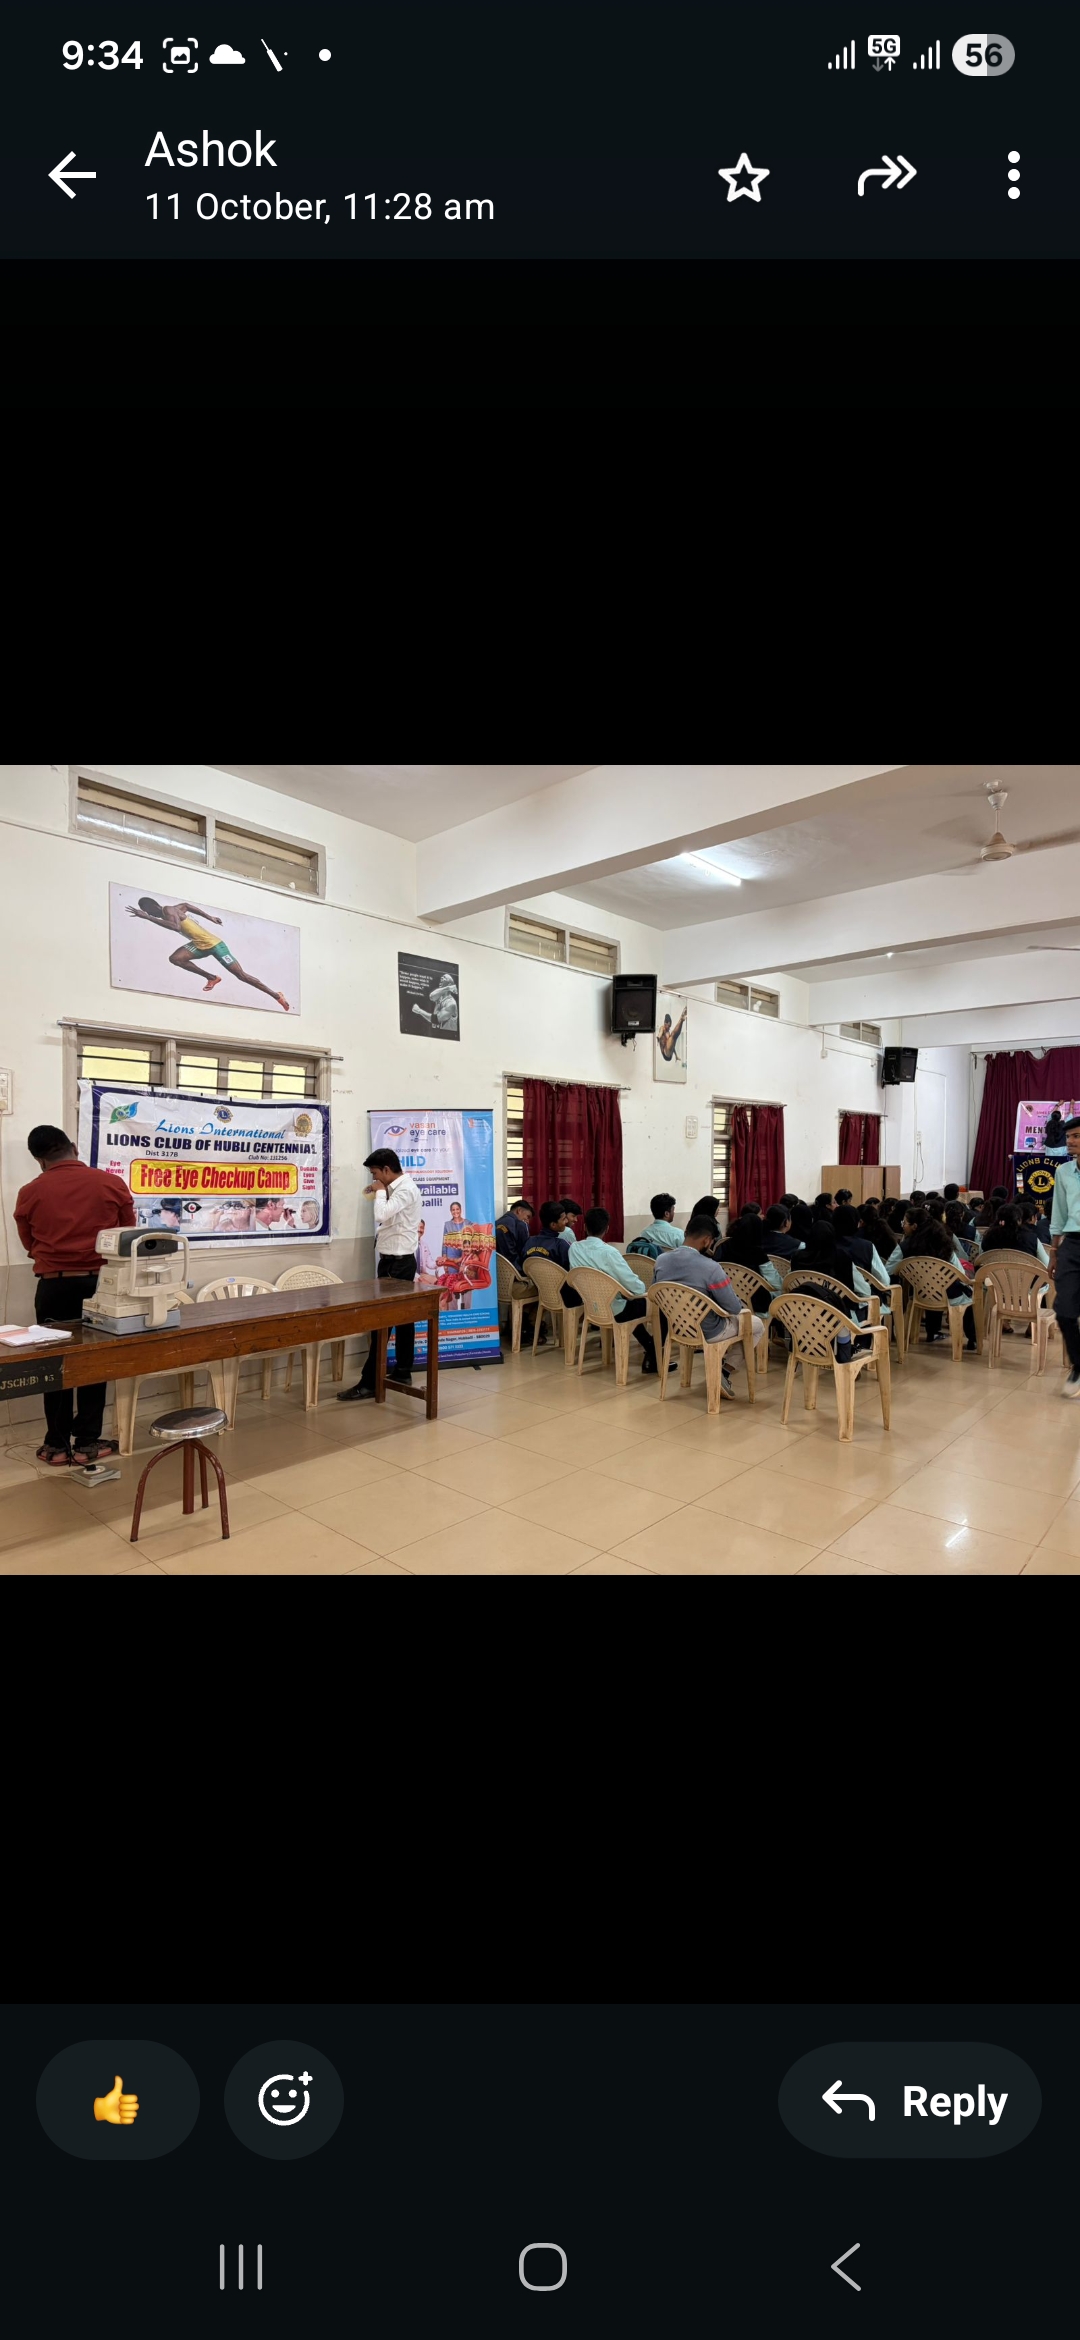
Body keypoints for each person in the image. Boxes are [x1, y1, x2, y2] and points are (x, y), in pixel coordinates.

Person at [13, 1124, 138, 1465]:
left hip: (53, 1286)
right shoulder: (110, 1183)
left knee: (54, 1364)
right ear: (73, 1147)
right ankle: (87, 1443)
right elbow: (127, 1236)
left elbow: (29, 1243)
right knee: (94, 1361)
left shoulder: (29, 1192)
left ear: (39, 1160)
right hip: (102, 1286)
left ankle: (55, 1445)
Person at [338, 1148, 423, 1400]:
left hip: (398, 1264)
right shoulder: (396, 1189)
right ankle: (403, 1371)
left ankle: (370, 1382)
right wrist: (379, 1191)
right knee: (404, 1318)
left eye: (375, 1173)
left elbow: (380, 1214)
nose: (374, 1179)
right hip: (393, 1262)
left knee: (381, 1321)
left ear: (386, 1170)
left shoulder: (405, 1189)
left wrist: (379, 1192)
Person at [653, 1214, 765, 1395]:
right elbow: (733, 1308)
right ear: (706, 1240)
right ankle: (723, 1372)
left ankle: (718, 1370)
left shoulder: (661, 1261)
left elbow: (655, 1292)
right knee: (756, 1325)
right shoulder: (711, 1267)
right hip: (710, 1331)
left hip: (677, 1327)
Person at [126, 896, 289, 1009]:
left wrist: (147, 918)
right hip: (198, 944)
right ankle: (212, 977)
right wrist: (209, 917)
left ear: (151, 907)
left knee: (241, 976)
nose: (149, 914)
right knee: (176, 958)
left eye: (147, 911)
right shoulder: (175, 908)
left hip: (215, 945)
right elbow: (188, 905)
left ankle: (276, 995)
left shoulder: (168, 910)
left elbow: (175, 926)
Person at [566, 1206, 666, 1374]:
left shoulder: (574, 1248)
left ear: (584, 1227)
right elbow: (635, 1287)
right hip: (616, 1310)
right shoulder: (609, 1252)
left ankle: (650, 1348)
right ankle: (656, 1355)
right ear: (607, 1229)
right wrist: (641, 1289)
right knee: (659, 1304)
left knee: (629, 1303)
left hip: (591, 1308)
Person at [905, 1217, 975, 1346]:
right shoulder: (947, 1251)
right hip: (949, 1296)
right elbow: (961, 1275)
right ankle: (972, 1339)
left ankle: (932, 1332)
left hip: (920, 1293)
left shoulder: (910, 1249)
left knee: (934, 1288)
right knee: (970, 1298)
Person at [1050, 1118, 1080, 1396]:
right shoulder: (1064, 1172)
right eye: (1069, 1136)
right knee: (1064, 1311)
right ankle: (1078, 1365)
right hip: (1072, 1245)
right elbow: (1058, 1215)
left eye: (1077, 1136)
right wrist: (1054, 1252)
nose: (1070, 1141)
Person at [718, 1213, 782, 1309]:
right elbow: (776, 1284)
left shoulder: (723, 1246)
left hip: (727, 1299)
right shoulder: (758, 1253)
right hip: (756, 1304)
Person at [832, 1203, 890, 1291]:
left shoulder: (824, 1244)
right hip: (861, 1299)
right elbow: (884, 1281)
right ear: (856, 1223)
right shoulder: (866, 1247)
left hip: (824, 1300)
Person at [627, 1192, 685, 1260]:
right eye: (673, 1210)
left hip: (650, 1269)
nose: (674, 1213)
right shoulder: (678, 1234)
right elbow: (686, 1256)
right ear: (667, 1214)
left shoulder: (644, 1233)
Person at [494, 1197, 533, 1269]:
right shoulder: (520, 1225)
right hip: (513, 1268)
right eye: (528, 1217)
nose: (527, 1221)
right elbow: (524, 1251)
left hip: (496, 1268)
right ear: (519, 1210)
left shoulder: (495, 1223)